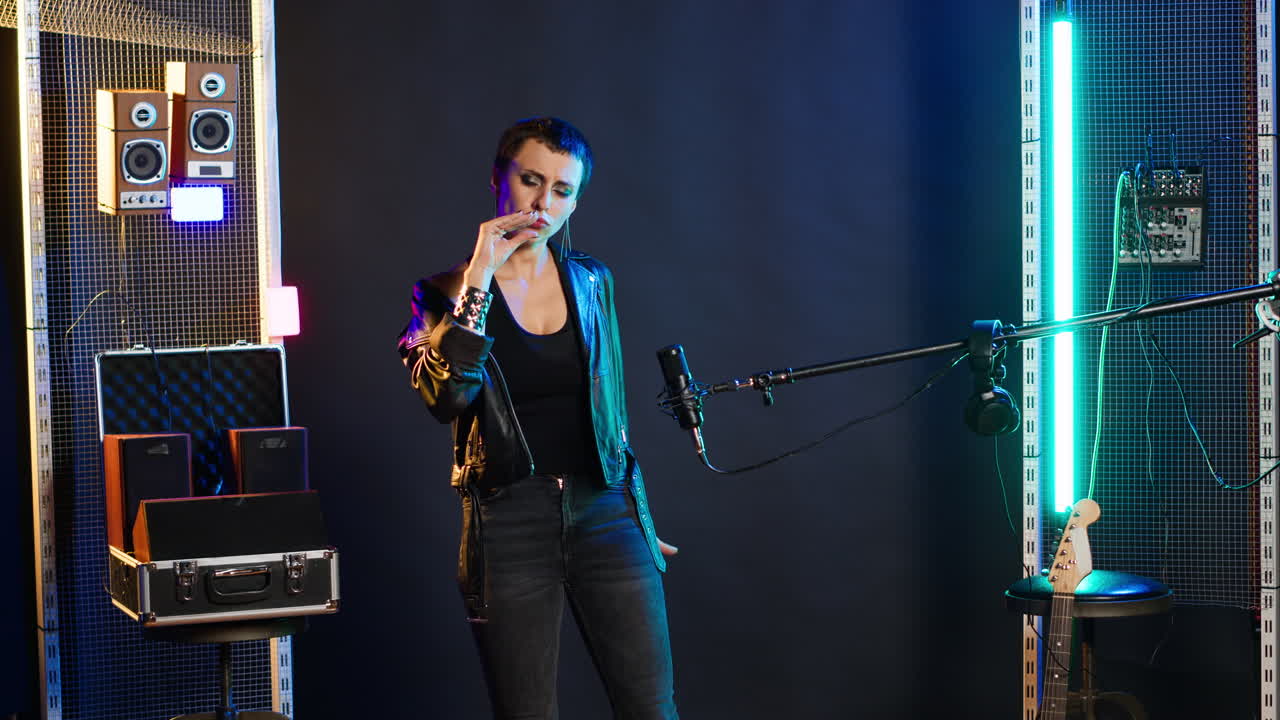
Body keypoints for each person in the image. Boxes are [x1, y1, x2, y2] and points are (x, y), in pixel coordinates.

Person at [397, 117, 680, 720]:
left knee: (652, 709)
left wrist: (638, 516)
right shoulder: (439, 294)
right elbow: (444, 399)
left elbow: (612, 417)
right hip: (509, 523)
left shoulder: (591, 280)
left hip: (607, 512)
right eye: (530, 180)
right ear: (498, 179)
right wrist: (477, 281)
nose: (543, 203)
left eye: (562, 190)